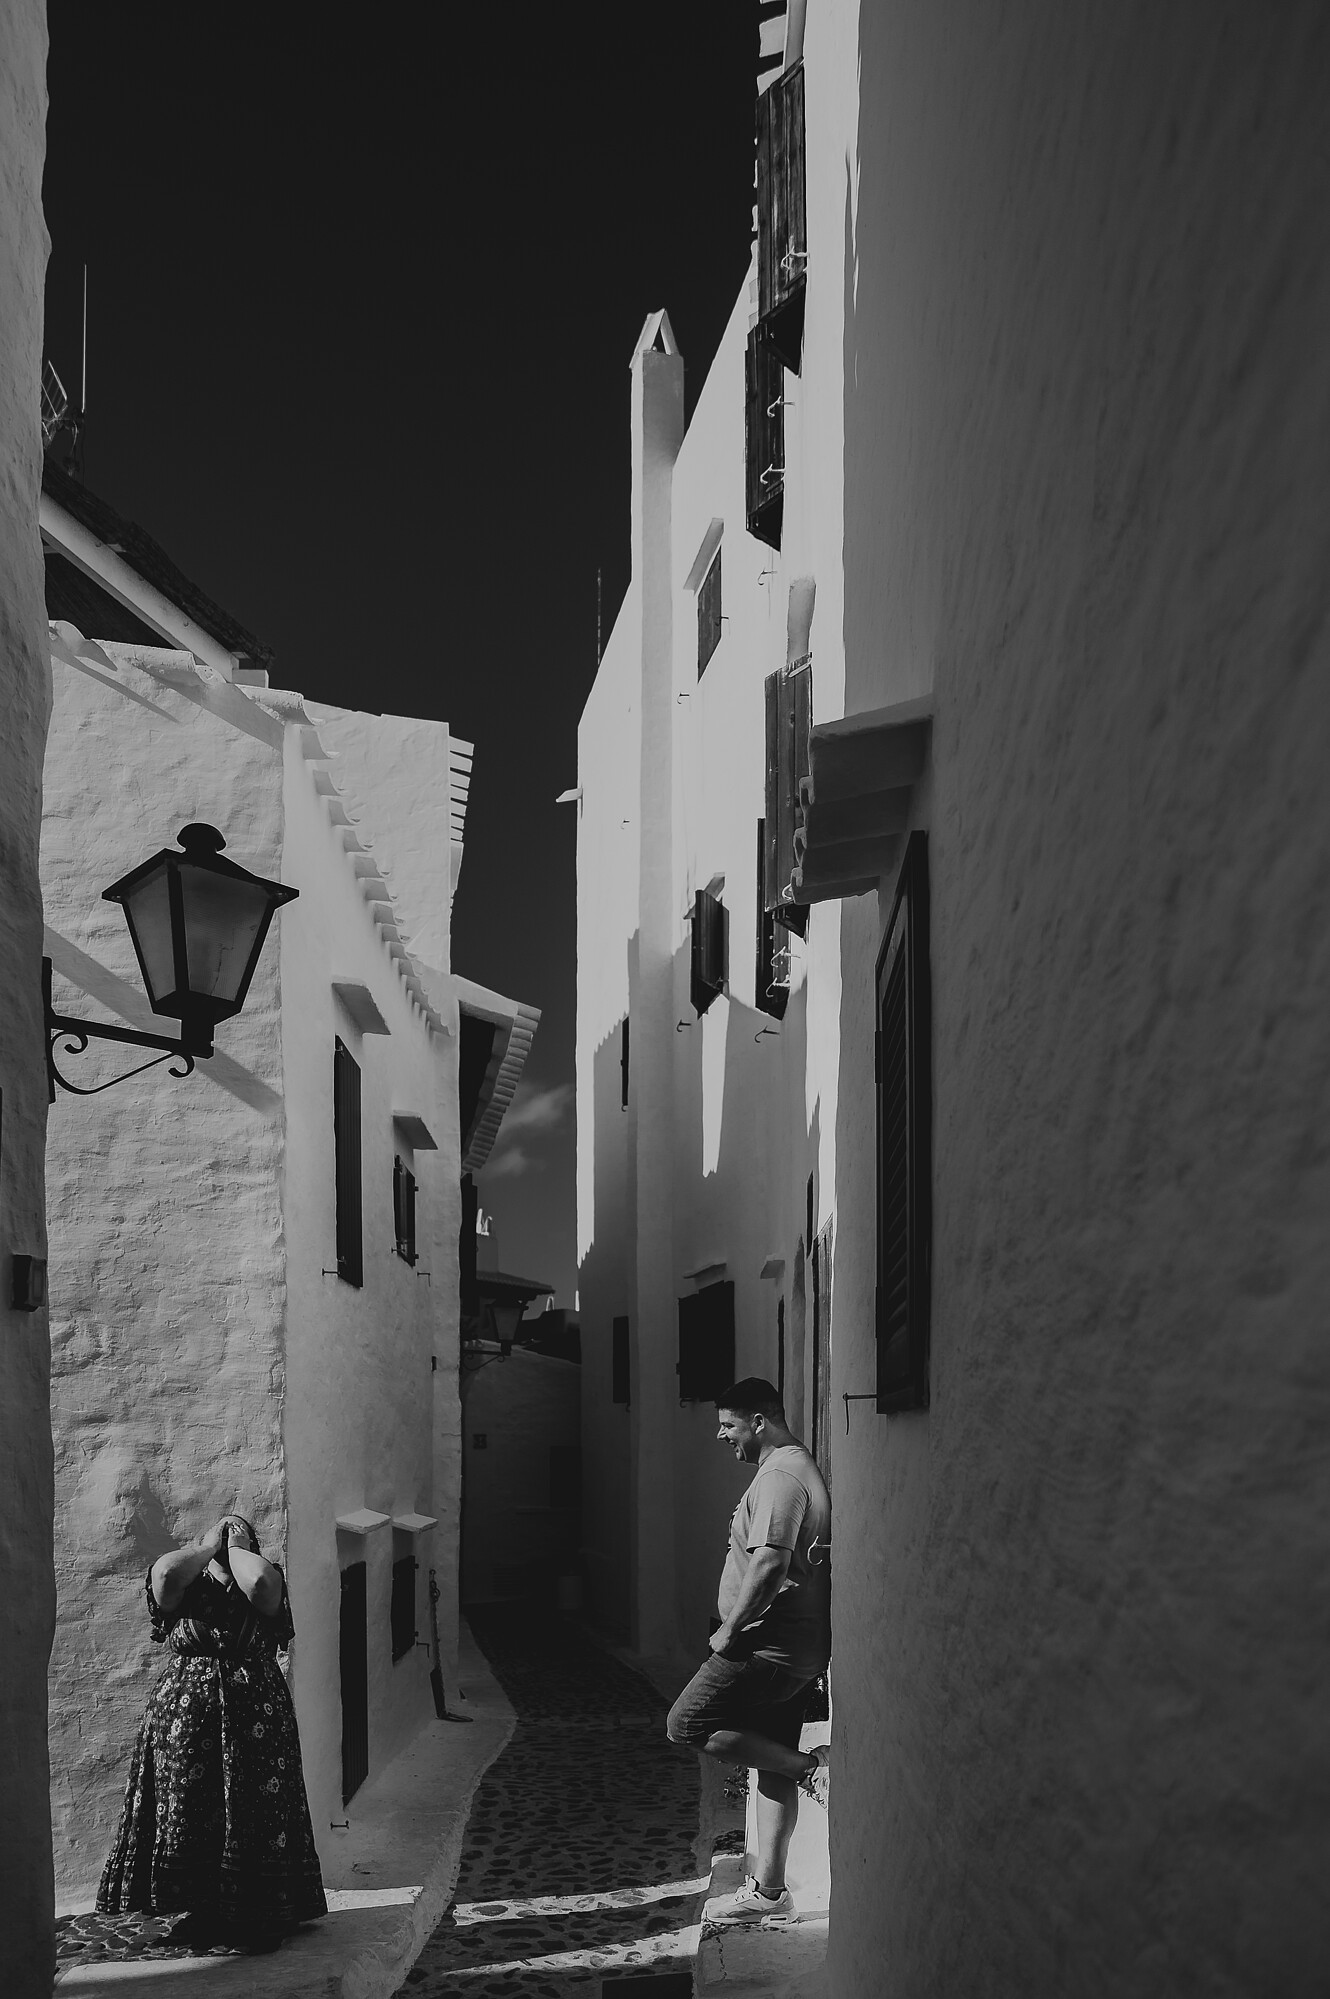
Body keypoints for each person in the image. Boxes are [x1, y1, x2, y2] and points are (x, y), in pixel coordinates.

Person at [96, 1511, 327, 1953]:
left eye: (236, 1530)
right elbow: (164, 1571)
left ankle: (263, 1915)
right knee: (189, 1811)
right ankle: (200, 1913)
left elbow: (258, 1584)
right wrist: (207, 1546)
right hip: (185, 1723)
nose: (226, 1536)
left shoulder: (266, 1578)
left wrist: (238, 1547)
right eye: (220, 1531)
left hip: (256, 1723)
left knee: (256, 1811)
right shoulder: (185, 1586)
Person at [666, 1378, 831, 1925]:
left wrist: (731, 1631)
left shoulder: (781, 1476)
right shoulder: (787, 1468)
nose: (721, 1435)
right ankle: (770, 1890)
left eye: (729, 1425)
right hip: (795, 1645)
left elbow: (770, 1562)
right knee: (770, 1763)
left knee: (686, 1723)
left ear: (759, 1421)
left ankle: (813, 1766)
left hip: (766, 1646)